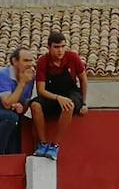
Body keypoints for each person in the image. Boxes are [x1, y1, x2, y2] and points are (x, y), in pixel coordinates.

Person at [31, 31, 88, 160]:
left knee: (69, 105)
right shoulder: (43, 62)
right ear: (49, 47)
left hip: (71, 93)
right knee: (35, 105)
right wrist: (57, 98)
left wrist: (84, 103)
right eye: (56, 47)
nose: (60, 50)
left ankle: (55, 145)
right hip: (51, 95)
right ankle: (43, 143)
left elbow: (83, 80)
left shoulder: (73, 57)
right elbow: (41, 90)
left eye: (62, 46)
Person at [0, 46, 35, 156]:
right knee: (10, 117)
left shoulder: (30, 78)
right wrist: (22, 84)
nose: (29, 64)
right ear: (15, 61)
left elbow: (25, 102)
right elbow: (7, 103)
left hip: (10, 115)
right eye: (25, 60)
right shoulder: (2, 75)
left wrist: (22, 107)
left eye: (31, 60)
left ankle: (13, 155)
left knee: (16, 119)